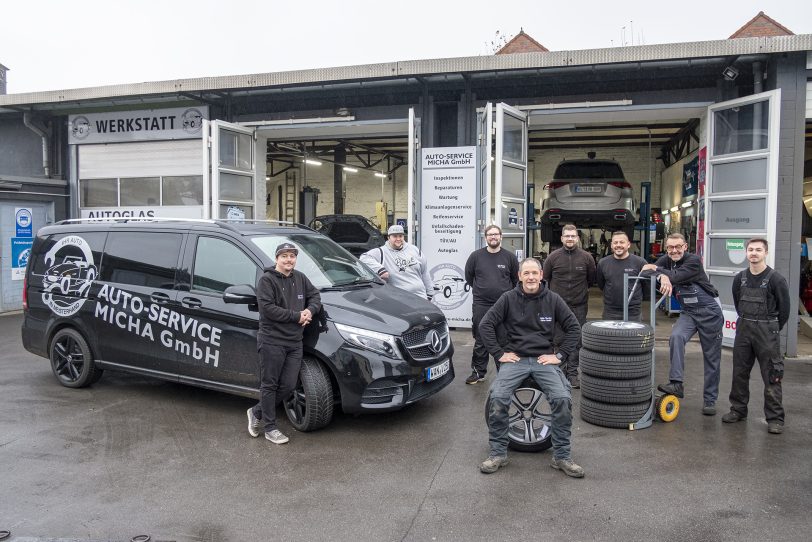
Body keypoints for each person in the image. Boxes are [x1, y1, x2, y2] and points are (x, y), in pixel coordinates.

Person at [478, 258, 584, 478]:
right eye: (526, 273)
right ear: (519, 276)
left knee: (562, 399)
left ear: (541, 275)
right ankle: (498, 453)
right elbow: (485, 324)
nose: (531, 277)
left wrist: (560, 355)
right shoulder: (508, 298)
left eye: (534, 273)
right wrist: (499, 354)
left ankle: (562, 456)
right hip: (515, 360)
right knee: (498, 398)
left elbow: (574, 327)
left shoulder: (553, 299)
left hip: (543, 360)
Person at [247, 242, 322, 444]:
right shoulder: (267, 280)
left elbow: (315, 296)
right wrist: (296, 316)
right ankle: (270, 428)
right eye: (284, 256)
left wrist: (310, 311)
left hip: (294, 342)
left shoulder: (300, 278)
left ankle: (256, 411)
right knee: (269, 385)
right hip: (272, 341)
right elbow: (268, 309)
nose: (289, 259)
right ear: (277, 258)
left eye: (292, 256)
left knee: (288, 386)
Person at [641, 233, 723, 416]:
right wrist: (662, 277)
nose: (674, 250)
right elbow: (645, 269)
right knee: (676, 337)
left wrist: (662, 273)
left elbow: (676, 276)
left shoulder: (693, 261)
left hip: (709, 312)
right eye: (670, 247)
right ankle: (676, 384)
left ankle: (710, 399)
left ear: (685, 246)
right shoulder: (667, 260)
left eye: (678, 247)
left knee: (711, 357)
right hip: (689, 313)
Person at [723, 238, 790, 434]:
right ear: (746, 253)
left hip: (767, 331)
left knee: (772, 374)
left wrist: (771, 327)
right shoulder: (740, 278)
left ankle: (775, 418)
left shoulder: (776, 279)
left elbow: (784, 310)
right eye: (750, 249)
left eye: (758, 250)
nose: (754, 253)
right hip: (744, 327)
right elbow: (737, 302)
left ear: (765, 253)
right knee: (739, 372)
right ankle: (738, 409)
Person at [463, 224, 519, 384]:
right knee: (481, 338)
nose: (493, 237)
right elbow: (469, 277)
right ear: (485, 237)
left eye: (496, 234)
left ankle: (505, 373)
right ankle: (478, 372)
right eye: (490, 235)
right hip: (481, 304)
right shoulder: (476, 256)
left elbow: (515, 281)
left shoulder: (509, 257)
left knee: (504, 338)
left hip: (503, 305)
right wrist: (483, 290)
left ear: (501, 237)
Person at [542, 224, 596, 388]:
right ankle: (559, 372)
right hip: (557, 307)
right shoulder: (553, 257)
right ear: (562, 238)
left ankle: (572, 374)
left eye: (573, 236)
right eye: (567, 236)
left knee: (576, 341)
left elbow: (591, 280)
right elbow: (545, 280)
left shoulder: (587, 258)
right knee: (557, 339)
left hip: (579, 306)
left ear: (577, 238)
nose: (570, 239)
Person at [360, 224, 433, 300]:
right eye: (395, 236)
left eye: (400, 236)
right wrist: (380, 270)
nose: (398, 239)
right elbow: (364, 258)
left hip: (421, 296)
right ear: (388, 238)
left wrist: (430, 293)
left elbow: (424, 272)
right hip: (400, 299)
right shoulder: (382, 252)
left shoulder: (414, 250)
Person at [596, 231, 647, 321]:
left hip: (633, 312)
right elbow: (601, 284)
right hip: (610, 311)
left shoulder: (640, 262)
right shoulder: (603, 263)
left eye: (622, 242)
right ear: (611, 245)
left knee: (632, 335)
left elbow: (646, 285)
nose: (618, 245)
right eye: (615, 242)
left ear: (628, 244)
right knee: (610, 335)